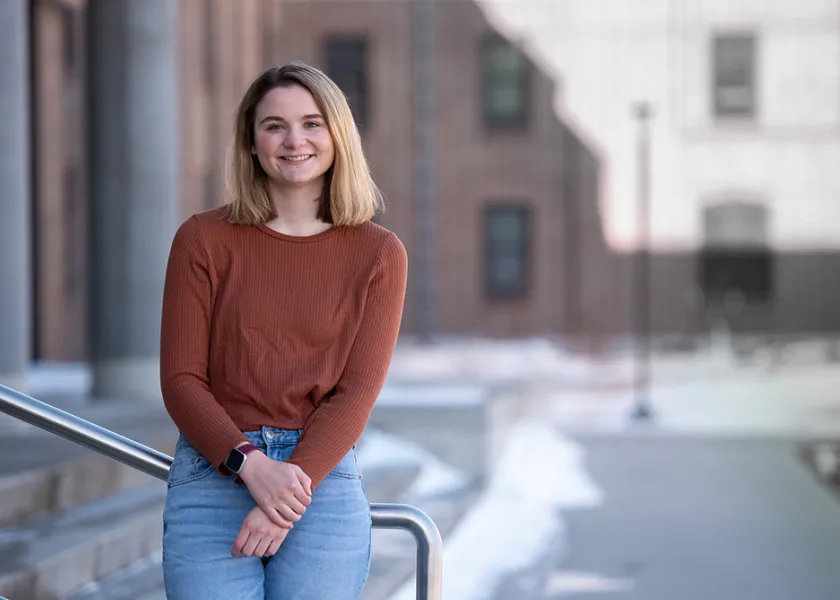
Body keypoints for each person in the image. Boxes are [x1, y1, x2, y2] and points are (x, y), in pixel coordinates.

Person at [158, 61, 408, 600]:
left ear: (337, 135)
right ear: (251, 143)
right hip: (215, 470)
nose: (295, 141)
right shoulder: (202, 240)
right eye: (275, 126)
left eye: (312, 123)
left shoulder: (379, 253)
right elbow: (181, 380)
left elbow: (356, 393)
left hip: (319, 480)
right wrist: (251, 466)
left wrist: (287, 495)